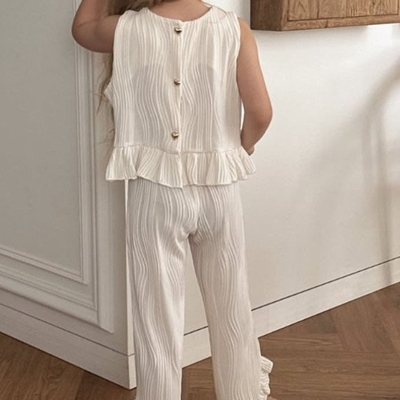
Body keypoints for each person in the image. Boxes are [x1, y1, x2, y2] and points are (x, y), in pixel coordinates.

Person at [71, 1, 276, 399]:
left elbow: (81, 29)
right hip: (219, 189)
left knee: (156, 315)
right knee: (231, 302)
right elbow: (261, 112)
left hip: (154, 192)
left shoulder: (125, 28)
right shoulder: (233, 29)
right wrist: (241, 147)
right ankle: (242, 392)